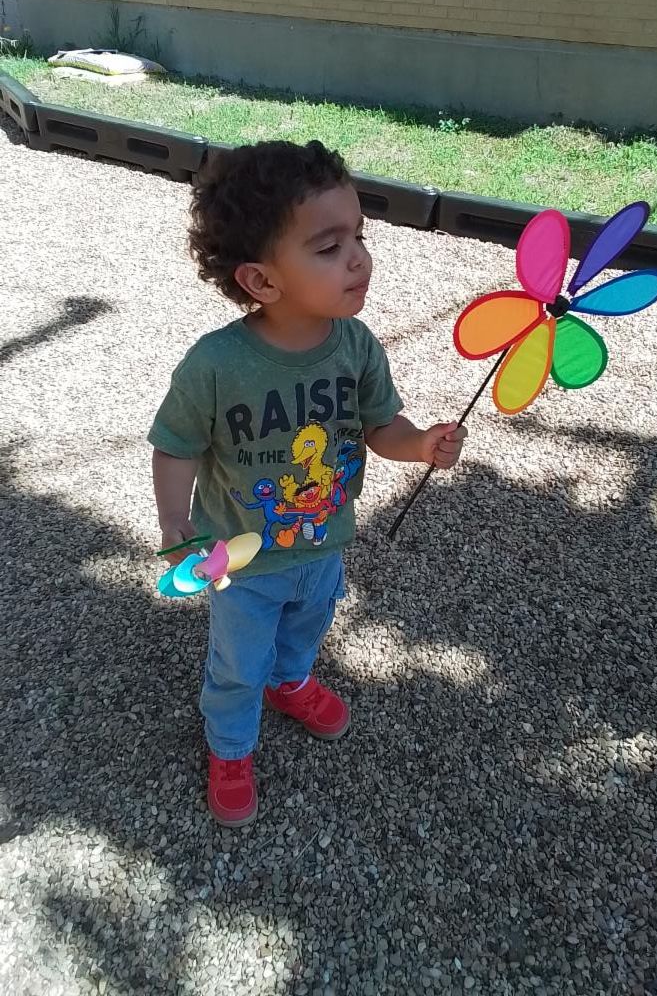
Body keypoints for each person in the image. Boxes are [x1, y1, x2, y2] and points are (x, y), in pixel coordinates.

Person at [149, 140, 467, 827]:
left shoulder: (357, 347)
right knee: (238, 662)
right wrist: (175, 521)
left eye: (360, 236)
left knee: (308, 628)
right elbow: (175, 445)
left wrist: (420, 444)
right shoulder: (215, 366)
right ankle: (231, 745)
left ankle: (290, 682)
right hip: (241, 563)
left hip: (323, 546)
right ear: (262, 281)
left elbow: (382, 426)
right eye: (329, 246)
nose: (359, 259)